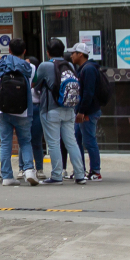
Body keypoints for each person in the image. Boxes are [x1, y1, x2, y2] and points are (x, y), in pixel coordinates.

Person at [36, 39, 86, 183]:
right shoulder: (69, 64)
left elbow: (36, 85)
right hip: (69, 109)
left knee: (53, 144)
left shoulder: (44, 66)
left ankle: (57, 175)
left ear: (47, 52)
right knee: (72, 142)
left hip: (50, 109)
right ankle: (80, 175)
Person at [0, 39, 37, 185]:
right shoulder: (31, 67)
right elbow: (33, 85)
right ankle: (29, 170)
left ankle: (7, 177)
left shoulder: (0, 65)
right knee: (25, 142)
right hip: (23, 111)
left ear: (9, 50)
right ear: (24, 51)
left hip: (2, 111)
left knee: (5, 143)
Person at [70, 42, 106, 181]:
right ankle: (80, 170)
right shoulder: (84, 68)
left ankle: (96, 171)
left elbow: (88, 93)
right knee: (77, 139)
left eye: (73, 53)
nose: (71, 55)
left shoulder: (89, 69)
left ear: (80, 54)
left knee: (89, 140)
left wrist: (82, 112)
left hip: (88, 112)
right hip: (84, 111)